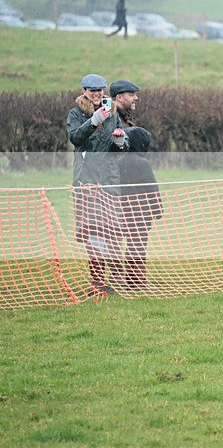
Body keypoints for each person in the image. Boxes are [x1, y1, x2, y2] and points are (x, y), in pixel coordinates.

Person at [67, 73, 129, 296]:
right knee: (93, 233)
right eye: (92, 90)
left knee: (113, 231)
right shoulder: (75, 114)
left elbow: (122, 146)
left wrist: (121, 142)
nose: (97, 94)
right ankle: (97, 281)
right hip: (87, 183)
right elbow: (74, 137)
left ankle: (115, 275)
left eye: (100, 90)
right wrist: (93, 121)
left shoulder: (113, 113)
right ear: (84, 91)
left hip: (110, 183)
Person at [117, 126, 162, 289]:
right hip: (141, 213)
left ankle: (126, 278)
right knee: (138, 246)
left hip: (121, 211)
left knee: (126, 245)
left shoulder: (119, 161)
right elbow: (152, 188)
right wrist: (158, 210)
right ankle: (138, 279)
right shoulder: (143, 163)